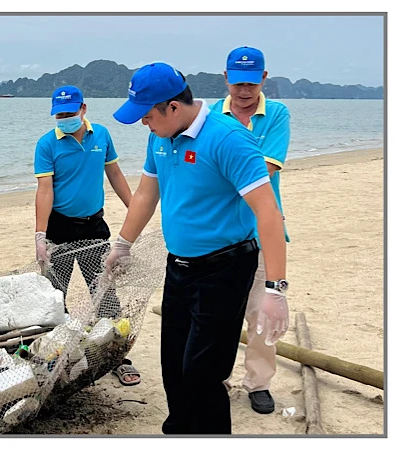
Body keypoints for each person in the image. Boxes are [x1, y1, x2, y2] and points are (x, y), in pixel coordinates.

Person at [106, 62, 289, 434]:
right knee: (173, 363)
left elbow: (268, 213)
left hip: (225, 268)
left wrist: (275, 289)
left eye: (147, 115)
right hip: (180, 266)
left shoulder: (228, 138)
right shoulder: (160, 136)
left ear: (173, 107)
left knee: (203, 373)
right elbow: (146, 193)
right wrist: (123, 243)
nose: (144, 123)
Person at [33, 85, 139, 386]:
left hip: (94, 226)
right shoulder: (46, 144)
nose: (65, 118)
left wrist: (134, 210)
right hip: (59, 228)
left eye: (70, 113)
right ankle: (53, 361)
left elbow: (115, 174)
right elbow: (45, 190)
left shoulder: (101, 135)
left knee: (105, 293)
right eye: (60, 114)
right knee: (53, 298)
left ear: (84, 109)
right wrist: (40, 235)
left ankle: (118, 358)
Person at [210, 45, 291, 415]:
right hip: (220, 231)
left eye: (252, 81)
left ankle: (258, 382)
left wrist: (221, 168)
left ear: (264, 78)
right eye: (238, 82)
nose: (244, 90)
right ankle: (217, 377)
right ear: (226, 78)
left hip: (260, 230)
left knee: (261, 312)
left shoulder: (276, 114)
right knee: (219, 312)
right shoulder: (212, 114)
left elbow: (268, 168)